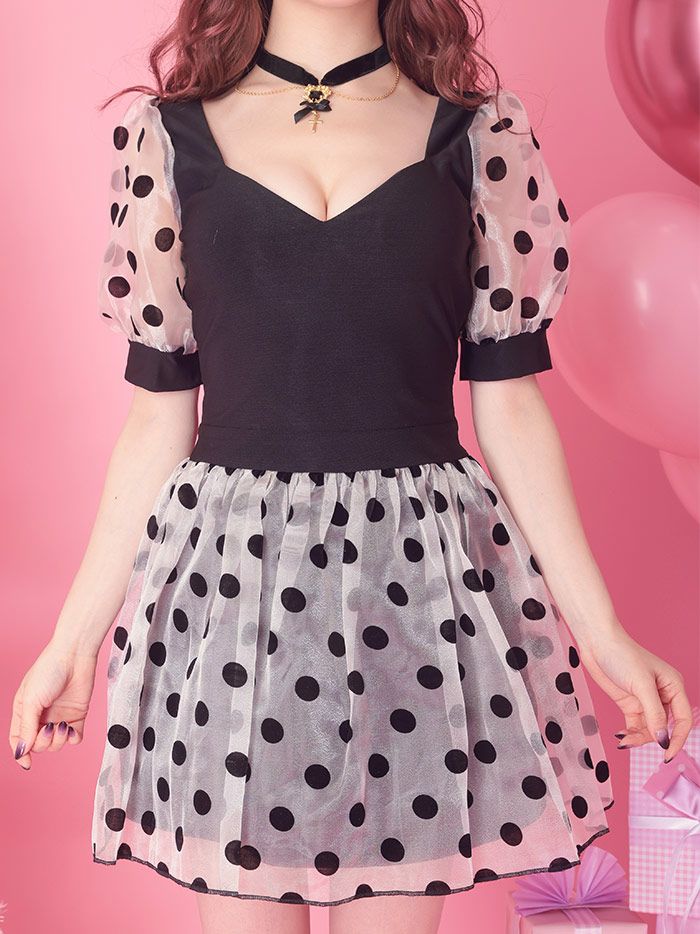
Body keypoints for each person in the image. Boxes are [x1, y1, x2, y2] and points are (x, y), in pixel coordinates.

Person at [8, 0, 693, 931]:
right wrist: (74, 642)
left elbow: (510, 404)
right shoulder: (166, 139)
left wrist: (603, 633)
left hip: (419, 593)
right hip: (235, 596)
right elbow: (157, 417)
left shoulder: (480, 136)